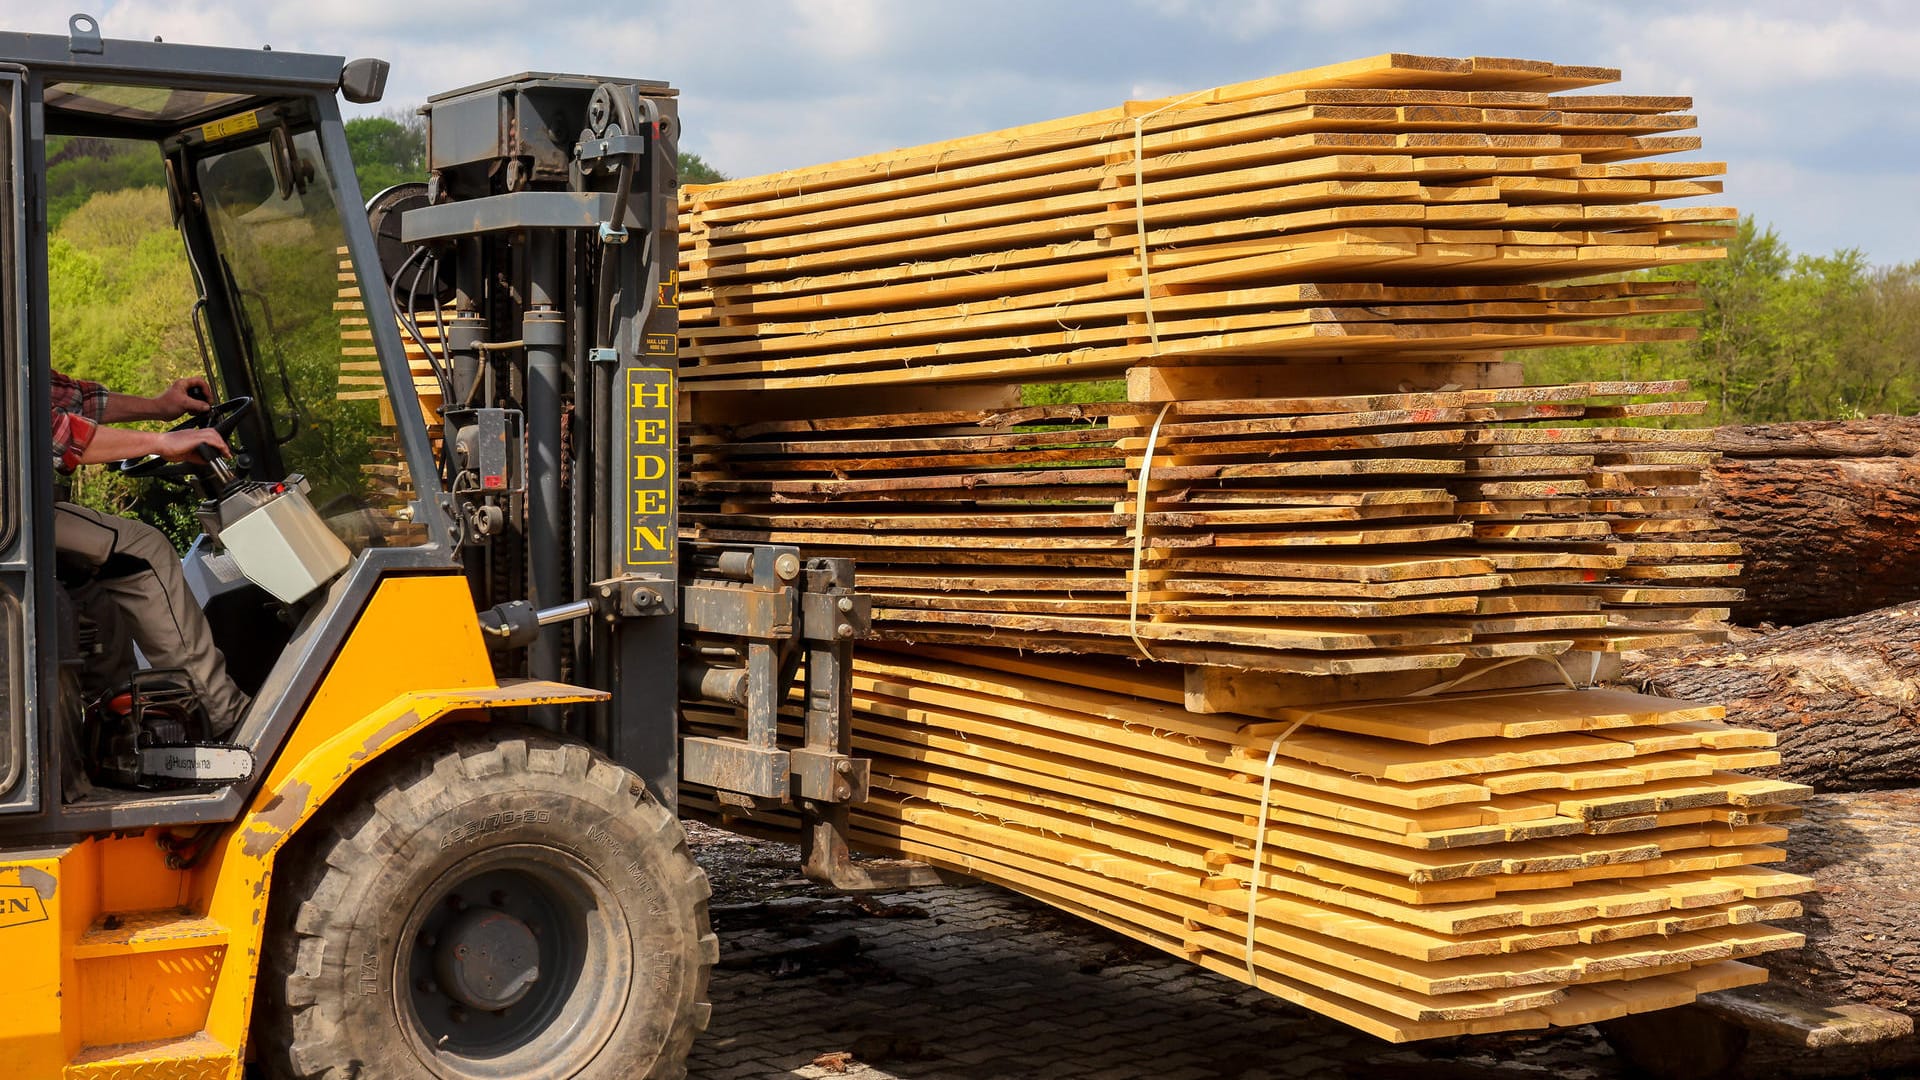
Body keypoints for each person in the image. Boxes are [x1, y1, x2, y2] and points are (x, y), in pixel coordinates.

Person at [51, 369, 250, 736]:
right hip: (12, 517)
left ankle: (119, 733)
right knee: (144, 549)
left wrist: (160, 408)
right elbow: (54, 434)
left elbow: (73, 399)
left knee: (97, 598)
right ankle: (224, 717)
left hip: (17, 507)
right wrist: (160, 442)